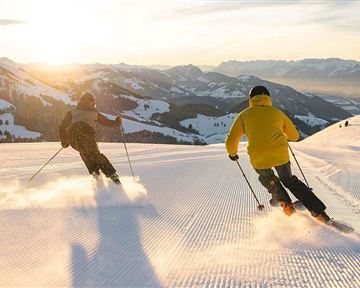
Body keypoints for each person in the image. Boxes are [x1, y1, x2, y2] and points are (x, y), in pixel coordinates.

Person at [225, 86, 331, 223]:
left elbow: (231, 139)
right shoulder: (276, 113)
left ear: (251, 99)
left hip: (259, 157)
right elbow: (294, 136)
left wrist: (232, 154)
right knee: (290, 181)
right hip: (280, 155)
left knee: (269, 179)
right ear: (268, 97)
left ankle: (287, 206)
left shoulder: (244, 115)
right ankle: (320, 213)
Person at [59, 91, 122, 184]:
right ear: (92, 101)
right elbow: (108, 122)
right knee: (96, 155)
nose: (93, 104)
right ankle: (113, 176)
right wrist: (117, 122)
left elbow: (62, 127)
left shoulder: (71, 113)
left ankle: (96, 176)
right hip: (88, 139)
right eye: (93, 102)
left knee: (86, 154)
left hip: (75, 141)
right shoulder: (94, 114)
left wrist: (64, 141)